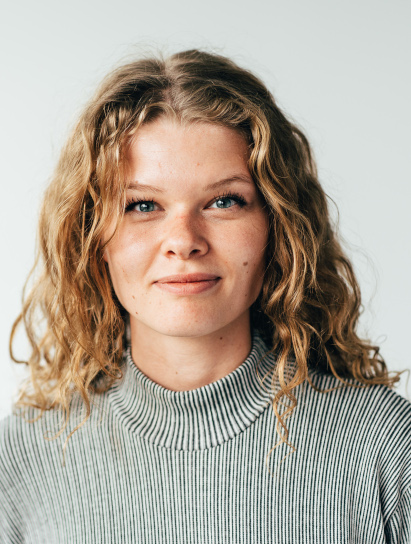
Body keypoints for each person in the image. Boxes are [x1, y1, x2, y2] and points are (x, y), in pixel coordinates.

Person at [0, 49, 410, 544]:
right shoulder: (21, 459)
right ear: (92, 236)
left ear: (278, 228)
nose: (184, 240)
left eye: (224, 201)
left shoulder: (383, 446)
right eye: (142, 205)